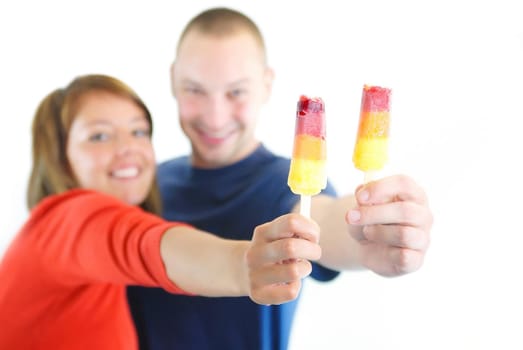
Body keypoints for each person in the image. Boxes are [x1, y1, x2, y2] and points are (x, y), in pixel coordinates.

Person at [126, 7, 433, 350]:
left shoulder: (278, 186)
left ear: (266, 84)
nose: (215, 116)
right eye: (195, 90)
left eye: (236, 92)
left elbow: (325, 220)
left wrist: (367, 234)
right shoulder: (142, 185)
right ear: (172, 81)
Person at [0, 74, 324, 350]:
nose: (129, 147)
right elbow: (141, 243)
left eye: (139, 131)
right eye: (99, 136)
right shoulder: (65, 219)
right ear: (60, 157)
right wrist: (241, 263)